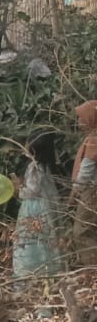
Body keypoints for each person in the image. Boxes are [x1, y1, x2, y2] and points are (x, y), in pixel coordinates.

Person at [13, 131, 62, 283]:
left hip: (33, 208)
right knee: (46, 239)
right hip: (47, 207)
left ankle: (31, 271)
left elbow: (31, 191)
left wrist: (18, 187)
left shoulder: (34, 167)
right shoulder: (48, 165)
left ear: (33, 149)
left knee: (32, 240)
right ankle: (50, 271)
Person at [73, 99, 97, 267]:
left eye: (81, 118)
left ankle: (90, 270)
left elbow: (86, 172)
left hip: (92, 191)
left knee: (82, 231)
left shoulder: (94, 141)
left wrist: (74, 192)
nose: (79, 122)